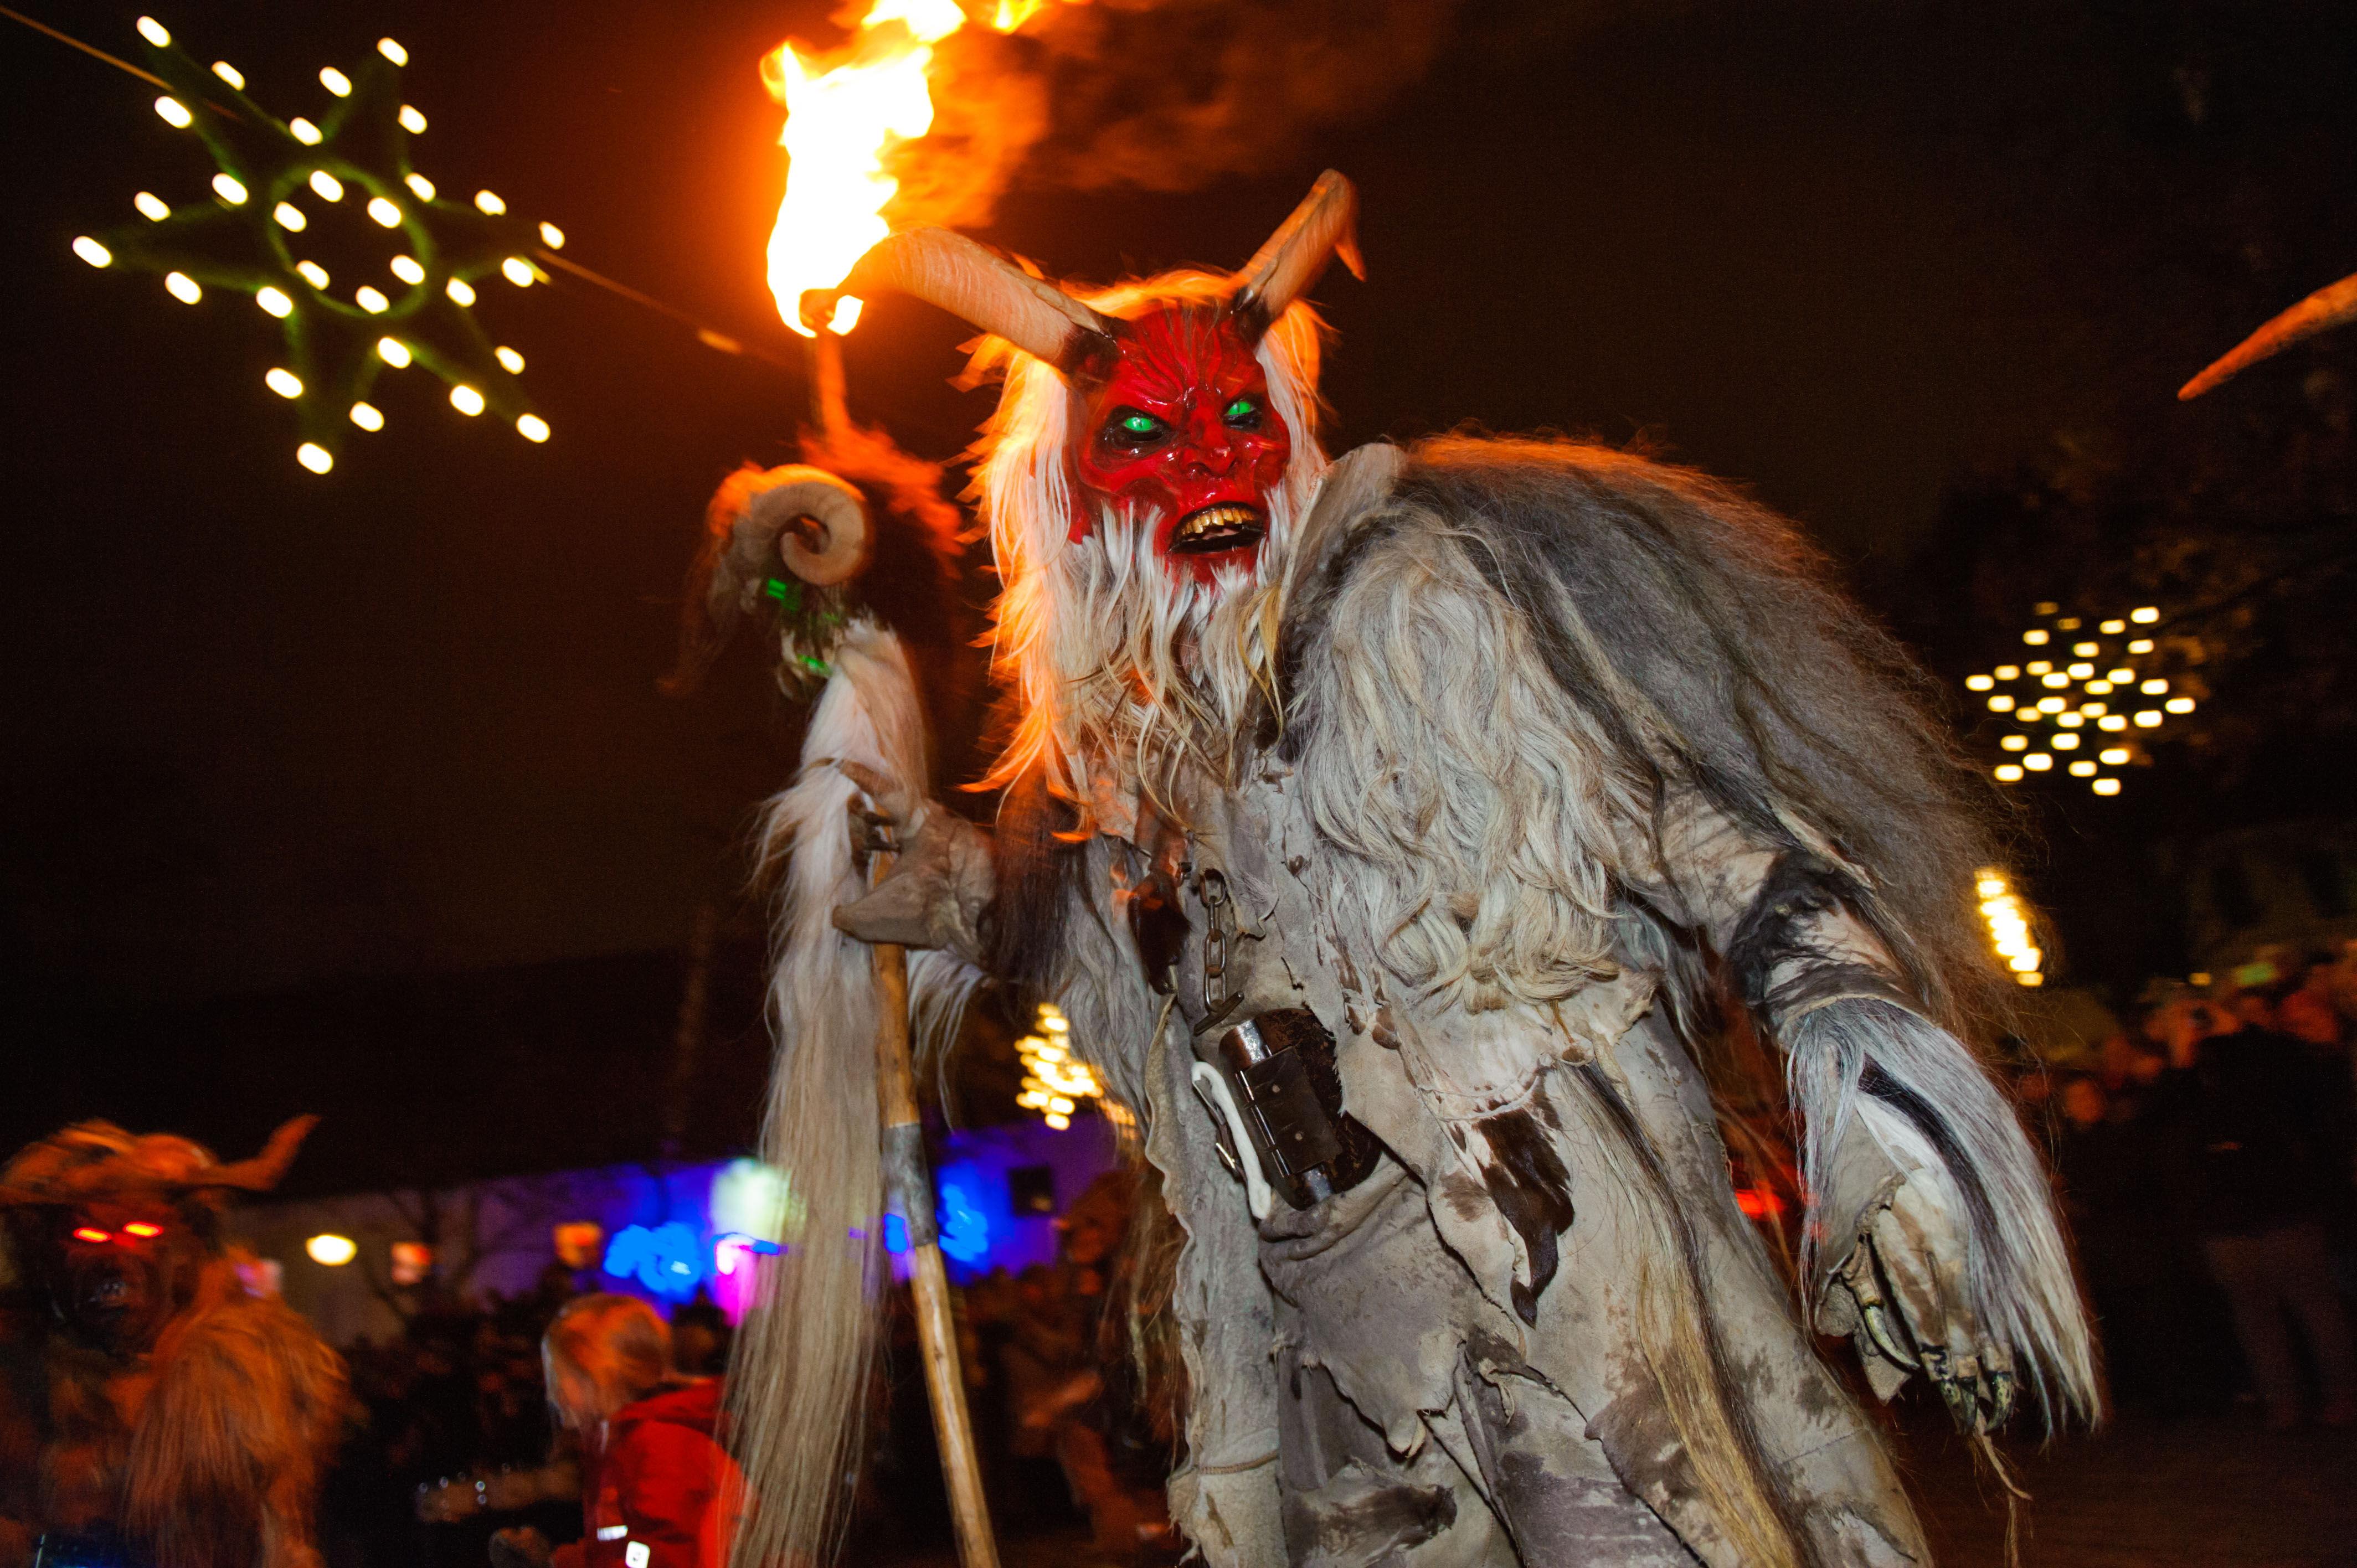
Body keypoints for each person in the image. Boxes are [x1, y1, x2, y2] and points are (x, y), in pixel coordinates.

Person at [729, 173, 2097, 1567]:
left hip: (1549, 1273)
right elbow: (1113, 955)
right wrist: (943, 872)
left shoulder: (1419, 620)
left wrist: (1862, 1053)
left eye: (1238, 421)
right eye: (1142, 435)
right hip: (1332, 1338)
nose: (1206, 470)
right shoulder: (1131, 776)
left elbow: (1696, 834)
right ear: (1065, 500)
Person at [0, 1118, 346, 1568]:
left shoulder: (242, 1375)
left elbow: (273, 1530)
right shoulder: (23, 1366)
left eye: (142, 1233)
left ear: (184, 1251)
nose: (115, 1257)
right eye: (89, 1236)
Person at [2143, 994, 2357, 1428]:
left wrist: (2240, 1033)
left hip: (2283, 1208)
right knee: (2255, 1318)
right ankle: (2284, 1402)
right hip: (2225, 1218)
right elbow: (2163, 1121)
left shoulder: (2269, 1063)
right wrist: (2181, 1056)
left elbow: (2284, 1092)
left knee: (2315, 1308)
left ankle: (2342, 1395)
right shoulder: (2193, 1076)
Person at [488, 1295, 739, 1568]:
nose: (552, 1395)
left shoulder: (658, 1444)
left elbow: (663, 1554)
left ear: (597, 1375)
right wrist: (556, 1560)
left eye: (559, 1376)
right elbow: (619, 1547)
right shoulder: (623, 1442)